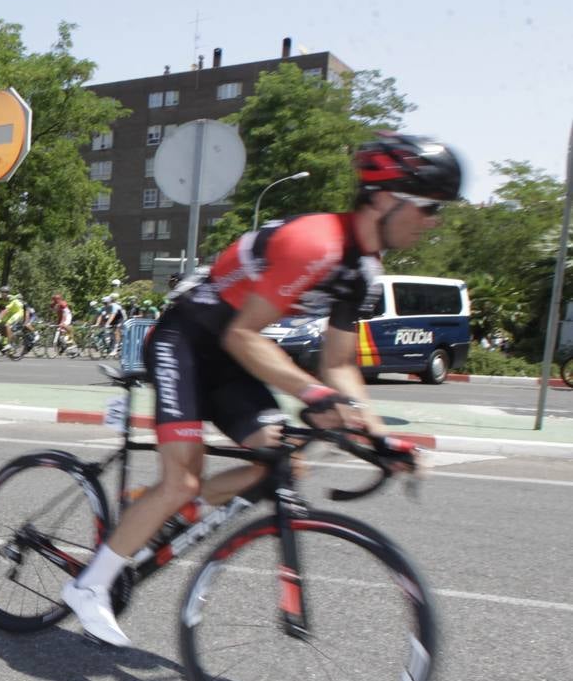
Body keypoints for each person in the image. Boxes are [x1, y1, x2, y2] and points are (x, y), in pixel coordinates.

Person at [61, 132, 455, 646]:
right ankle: (90, 587)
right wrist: (313, 396)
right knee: (181, 481)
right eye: (428, 207)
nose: (434, 221)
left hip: (230, 357)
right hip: (186, 341)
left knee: (284, 461)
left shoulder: (363, 271)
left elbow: (339, 363)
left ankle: (148, 506)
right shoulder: (316, 244)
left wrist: (378, 437)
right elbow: (243, 334)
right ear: (384, 197)